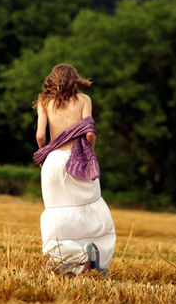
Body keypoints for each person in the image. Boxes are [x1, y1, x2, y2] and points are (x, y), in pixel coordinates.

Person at [32, 64, 116, 275]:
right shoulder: (84, 100)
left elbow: (40, 135)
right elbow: (90, 133)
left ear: (53, 79)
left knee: (57, 212)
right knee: (90, 206)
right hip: (78, 159)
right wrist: (89, 152)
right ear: (75, 80)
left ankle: (70, 262)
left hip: (53, 161)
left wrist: (45, 153)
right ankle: (90, 256)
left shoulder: (44, 102)